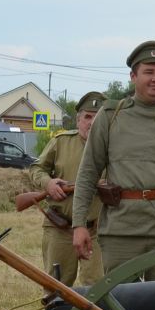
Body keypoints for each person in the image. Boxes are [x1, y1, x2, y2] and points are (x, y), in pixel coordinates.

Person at [70, 41, 155, 280]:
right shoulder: (109, 117)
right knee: (121, 306)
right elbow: (88, 174)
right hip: (122, 231)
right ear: (133, 76)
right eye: (149, 71)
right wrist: (79, 224)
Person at [23, 90, 105, 285]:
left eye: (98, 118)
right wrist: (48, 184)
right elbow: (37, 168)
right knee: (55, 288)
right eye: (87, 117)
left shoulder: (113, 148)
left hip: (96, 230)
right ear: (78, 121)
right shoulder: (61, 142)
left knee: (97, 289)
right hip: (60, 227)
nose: (92, 122)